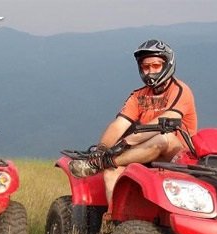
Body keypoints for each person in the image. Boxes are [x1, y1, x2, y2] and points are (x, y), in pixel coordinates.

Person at [69, 39, 198, 202]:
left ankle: (103, 163)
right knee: (111, 173)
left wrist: (125, 143)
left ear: (167, 64)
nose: (150, 72)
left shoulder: (180, 90)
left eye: (156, 66)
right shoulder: (138, 95)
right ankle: (112, 221)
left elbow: (165, 121)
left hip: (177, 154)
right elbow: (119, 125)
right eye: (146, 67)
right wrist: (102, 149)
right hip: (144, 151)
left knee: (163, 138)